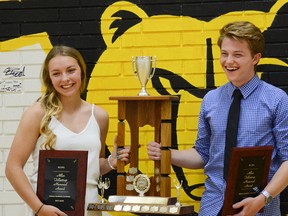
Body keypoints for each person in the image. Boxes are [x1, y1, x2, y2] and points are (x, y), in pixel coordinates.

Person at [147, 21, 288, 216]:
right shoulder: (210, 100)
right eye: (224, 53)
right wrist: (166, 154)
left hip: (260, 209)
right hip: (212, 207)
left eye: (237, 55)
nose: (229, 61)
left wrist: (262, 198)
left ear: (256, 58)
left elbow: (287, 160)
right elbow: (203, 154)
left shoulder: (277, 100)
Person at [5, 45, 130, 216]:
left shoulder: (99, 116)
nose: (65, 79)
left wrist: (111, 162)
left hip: (90, 210)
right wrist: (39, 208)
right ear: (49, 78)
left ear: (81, 72)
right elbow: (12, 167)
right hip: (48, 212)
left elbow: (89, 167)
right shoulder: (37, 113)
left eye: (71, 70)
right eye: (56, 73)